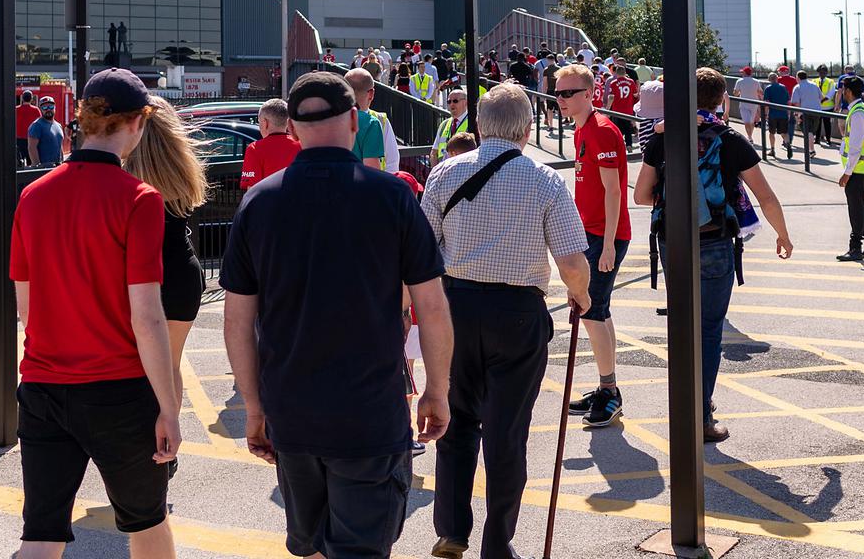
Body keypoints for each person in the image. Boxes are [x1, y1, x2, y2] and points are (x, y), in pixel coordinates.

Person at [221, 72, 453, 559]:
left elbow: (237, 321)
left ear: (291, 129)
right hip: (369, 413)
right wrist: (437, 390)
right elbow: (432, 308)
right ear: (353, 119)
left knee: (312, 545)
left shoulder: (258, 202)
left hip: (291, 412)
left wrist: (254, 407)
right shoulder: (392, 196)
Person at [11, 69, 180, 559]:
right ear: (137, 122)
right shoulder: (139, 199)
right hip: (118, 390)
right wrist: (169, 407)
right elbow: (146, 316)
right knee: (147, 523)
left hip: (43, 386)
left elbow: (27, 306)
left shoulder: (34, 195)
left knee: (40, 535)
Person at [421, 83, 590, 559]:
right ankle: (497, 544)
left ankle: (452, 530)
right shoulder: (545, 180)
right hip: (517, 314)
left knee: (455, 423)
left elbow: (421, 251)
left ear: (479, 124)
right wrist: (581, 296)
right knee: (507, 434)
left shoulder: (445, 172)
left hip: (454, 309)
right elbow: (572, 263)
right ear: (528, 129)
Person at [635, 67, 795, 444]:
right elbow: (766, 197)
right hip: (715, 241)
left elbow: (640, 196)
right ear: (722, 99)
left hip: (672, 243)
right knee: (709, 331)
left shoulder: (663, 138)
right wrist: (783, 236)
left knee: (682, 326)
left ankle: (682, 408)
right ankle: (701, 414)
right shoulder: (730, 139)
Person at [553, 63, 631, 427]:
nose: (561, 99)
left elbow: (614, 191)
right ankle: (606, 387)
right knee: (599, 309)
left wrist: (610, 245)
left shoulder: (600, 131)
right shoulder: (581, 129)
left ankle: (609, 391)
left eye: (568, 93)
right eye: (558, 93)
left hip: (604, 235)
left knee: (591, 310)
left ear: (589, 93)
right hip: (591, 232)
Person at [125, 95, 208, 402]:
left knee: (137, 366)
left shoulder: (126, 174)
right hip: (182, 272)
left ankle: (149, 430)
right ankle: (170, 428)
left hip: (140, 278)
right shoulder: (184, 166)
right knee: (171, 364)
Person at [833, 76, 864, 263]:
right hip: (858, 167)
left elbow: (855, 146)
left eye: (843, 89)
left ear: (849, 91)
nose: (842, 92)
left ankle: (855, 248)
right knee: (859, 205)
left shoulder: (858, 112)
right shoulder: (858, 109)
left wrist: (847, 172)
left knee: (855, 208)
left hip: (857, 167)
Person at [344, 67, 399, 172]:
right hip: (373, 180)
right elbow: (392, 162)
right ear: (371, 94)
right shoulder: (378, 121)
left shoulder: (332, 120)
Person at [240, 98, 301, 189]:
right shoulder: (301, 145)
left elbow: (252, 190)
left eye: (259, 122)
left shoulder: (255, 149)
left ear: (265, 123)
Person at [789, 68, 824, 159]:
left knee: (808, 132)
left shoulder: (797, 87)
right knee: (811, 131)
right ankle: (811, 149)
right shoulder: (814, 85)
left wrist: (797, 115)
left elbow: (796, 103)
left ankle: (811, 150)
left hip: (805, 112)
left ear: (798, 78)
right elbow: (821, 97)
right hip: (817, 111)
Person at [432, 88, 470, 164]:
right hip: (443, 168)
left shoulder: (473, 123)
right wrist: (436, 169)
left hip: (462, 168)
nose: (451, 104)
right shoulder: (444, 124)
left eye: (455, 101)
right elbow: (434, 153)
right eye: (449, 102)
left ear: (465, 102)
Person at [29, 96, 67, 168]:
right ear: (40, 109)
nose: (48, 109)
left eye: (51, 107)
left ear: (55, 107)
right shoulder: (37, 125)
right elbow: (31, 147)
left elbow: (60, 146)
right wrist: (37, 167)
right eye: (45, 107)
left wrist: (62, 163)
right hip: (43, 168)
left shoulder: (58, 125)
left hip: (57, 167)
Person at [608, 63, 640, 147]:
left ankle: (618, 145)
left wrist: (608, 109)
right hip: (628, 110)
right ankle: (629, 145)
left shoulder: (613, 83)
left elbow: (611, 97)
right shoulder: (631, 81)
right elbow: (635, 94)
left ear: (616, 73)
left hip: (617, 110)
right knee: (628, 129)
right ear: (625, 72)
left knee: (617, 129)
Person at [762, 72, 792, 158]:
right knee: (784, 132)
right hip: (783, 113)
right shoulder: (783, 87)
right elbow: (788, 101)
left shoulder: (768, 88)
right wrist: (788, 113)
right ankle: (788, 144)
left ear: (769, 79)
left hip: (773, 114)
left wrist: (765, 114)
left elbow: (767, 103)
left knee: (771, 133)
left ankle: (772, 150)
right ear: (777, 78)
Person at [733, 67, 763, 140]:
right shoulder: (756, 81)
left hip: (744, 104)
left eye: (742, 72)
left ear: (745, 73)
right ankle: (750, 136)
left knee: (747, 121)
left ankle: (749, 136)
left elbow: (735, 94)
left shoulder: (739, 81)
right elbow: (760, 92)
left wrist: (740, 92)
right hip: (754, 104)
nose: (741, 73)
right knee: (751, 122)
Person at [15, 90, 41, 167]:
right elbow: (40, 123)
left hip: (18, 139)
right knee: (31, 162)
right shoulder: (36, 110)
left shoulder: (16, 109)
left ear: (22, 98)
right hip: (31, 139)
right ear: (31, 99)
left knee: (19, 163)